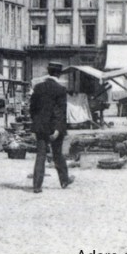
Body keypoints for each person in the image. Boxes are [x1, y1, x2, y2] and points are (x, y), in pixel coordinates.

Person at [30, 62, 72, 193]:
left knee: (40, 156)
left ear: (48, 72)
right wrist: (58, 129)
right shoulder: (61, 89)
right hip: (54, 128)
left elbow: (32, 109)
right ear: (59, 74)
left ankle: (37, 186)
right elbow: (61, 111)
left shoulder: (38, 88)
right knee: (58, 154)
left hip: (40, 127)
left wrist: (35, 126)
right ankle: (64, 180)